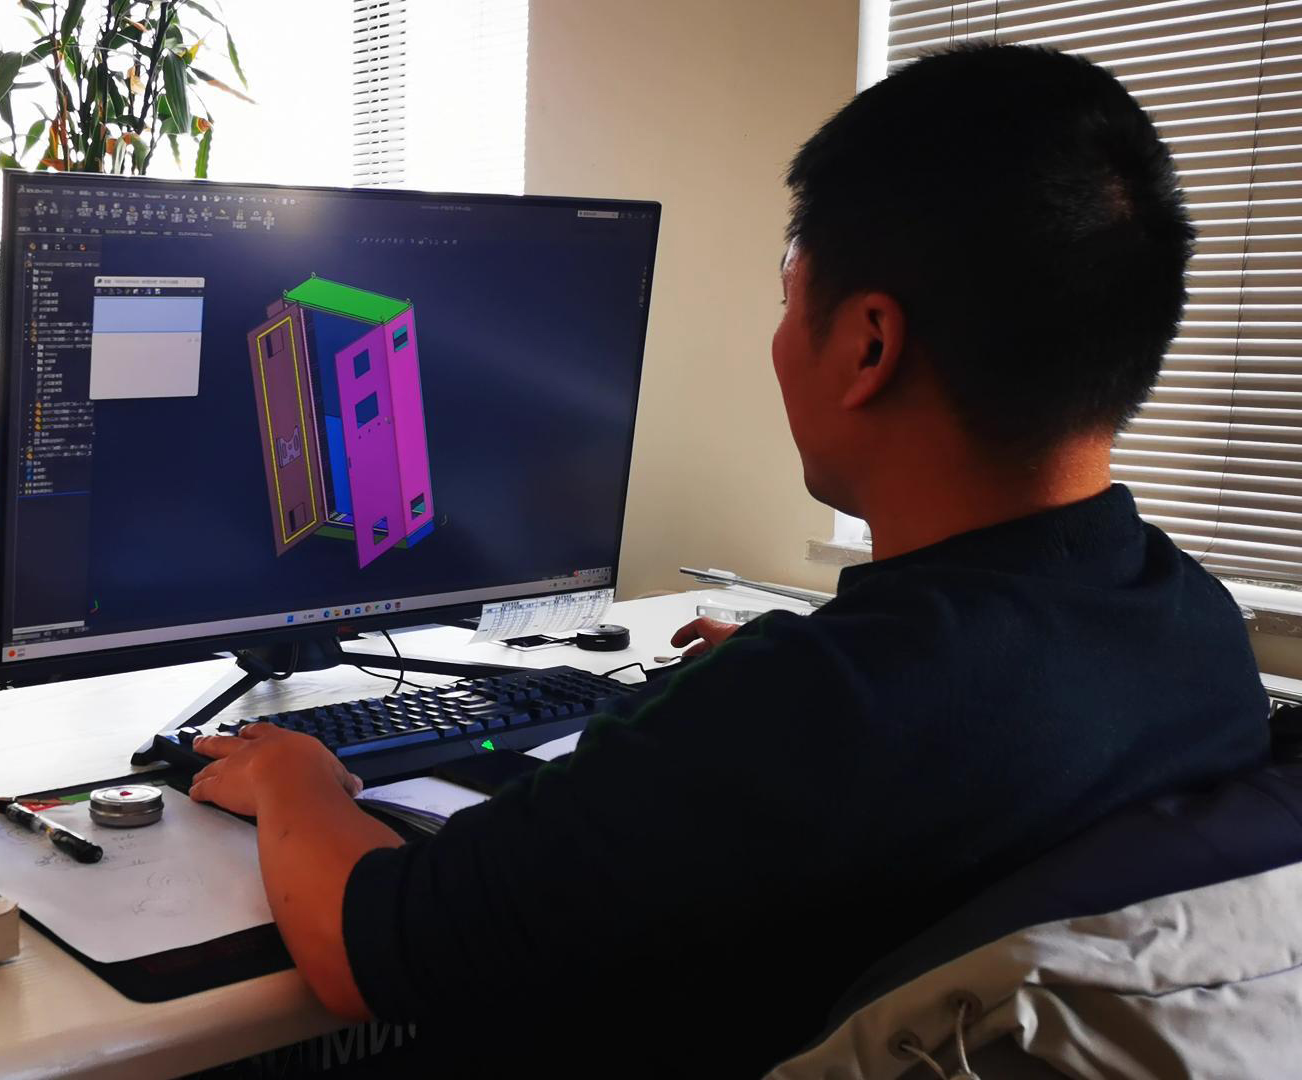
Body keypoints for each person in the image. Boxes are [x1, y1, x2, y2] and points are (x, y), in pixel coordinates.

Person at [188, 44, 1271, 1076]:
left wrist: (293, 778)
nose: (780, 331)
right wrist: (779, 688)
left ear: (869, 345)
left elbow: (360, 946)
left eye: (789, 288)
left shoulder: (821, 713)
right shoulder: (1196, 630)